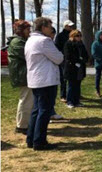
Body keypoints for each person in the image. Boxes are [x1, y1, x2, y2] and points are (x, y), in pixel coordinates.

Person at [25, 17, 63, 150]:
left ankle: (31, 139)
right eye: (49, 26)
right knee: (44, 111)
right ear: (43, 27)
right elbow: (59, 58)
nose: (51, 29)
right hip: (46, 80)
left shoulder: (30, 40)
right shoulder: (44, 41)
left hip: (36, 80)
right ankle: (39, 141)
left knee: (36, 110)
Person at [7, 20, 34, 134]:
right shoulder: (17, 42)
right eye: (27, 30)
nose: (29, 32)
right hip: (22, 75)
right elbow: (28, 55)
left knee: (29, 99)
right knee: (26, 99)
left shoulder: (22, 41)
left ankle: (26, 123)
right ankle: (22, 125)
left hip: (25, 74)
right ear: (21, 30)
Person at [64, 30, 88, 108]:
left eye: (80, 36)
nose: (79, 37)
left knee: (78, 85)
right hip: (71, 67)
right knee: (71, 85)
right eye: (77, 36)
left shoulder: (81, 44)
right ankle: (69, 101)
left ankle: (76, 101)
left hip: (80, 67)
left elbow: (85, 54)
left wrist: (83, 60)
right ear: (73, 36)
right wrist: (77, 60)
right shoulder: (68, 44)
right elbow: (68, 56)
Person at [55, 20, 75, 103]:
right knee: (63, 78)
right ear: (65, 26)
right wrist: (62, 55)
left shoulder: (73, 35)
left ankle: (73, 93)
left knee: (73, 77)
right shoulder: (60, 36)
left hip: (72, 59)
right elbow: (57, 47)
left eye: (71, 26)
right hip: (63, 60)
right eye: (69, 26)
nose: (71, 27)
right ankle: (63, 95)